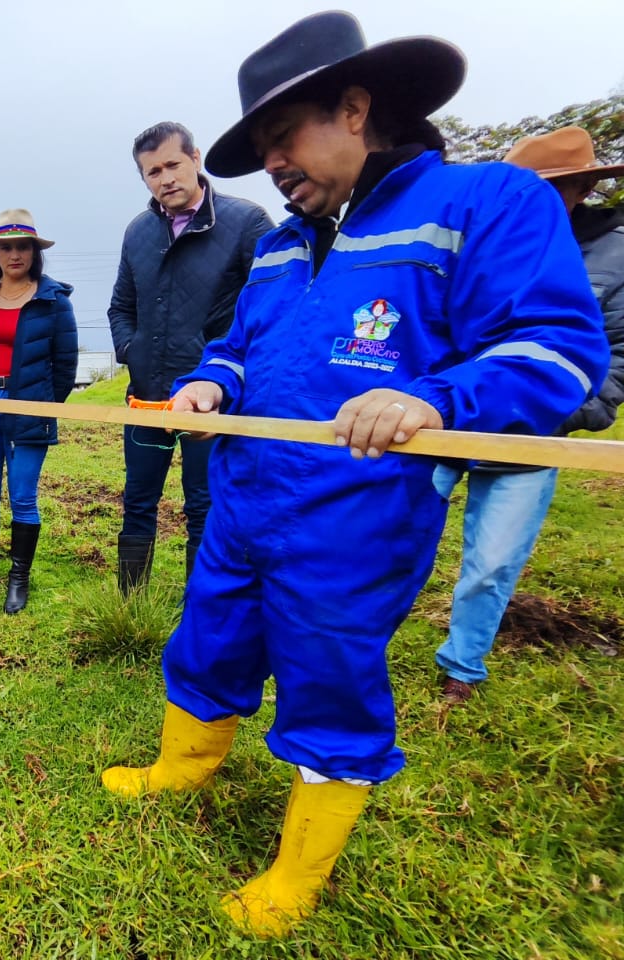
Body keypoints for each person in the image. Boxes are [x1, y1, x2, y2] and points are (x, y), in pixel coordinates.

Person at [98, 12, 608, 937]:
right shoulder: (287, 242)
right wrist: (212, 383)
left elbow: (560, 353)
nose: (273, 166)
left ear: (357, 105)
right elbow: (241, 345)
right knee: (208, 635)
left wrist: (440, 401)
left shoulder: (485, 203)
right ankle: (182, 766)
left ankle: (298, 871)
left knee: (329, 679)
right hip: (247, 499)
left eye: (281, 139)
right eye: (260, 149)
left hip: (357, 517)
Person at [434, 126, 624, 703]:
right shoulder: (483, 239)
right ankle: (356, 632)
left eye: (549, 187)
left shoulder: (613, 256)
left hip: (529, 436)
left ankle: (460, 668)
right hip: (447, 420)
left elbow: (615, 357)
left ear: (583, 187)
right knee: (384, 521)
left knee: (493, 560)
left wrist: (562, 413)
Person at [108, 124, 273, 592]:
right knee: (138, 499)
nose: (165, 178)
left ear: (195, 158)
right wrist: (131, 350)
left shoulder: (246, 223)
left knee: (204, 505)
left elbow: (273, 309)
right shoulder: (138, 231)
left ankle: (200, 607)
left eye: (172, 164)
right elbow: (121, 305)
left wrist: (228, 374)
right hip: (147, 399)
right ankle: (129, 599)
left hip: (211, 403)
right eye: (151, 172)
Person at [0, 209, 78, 614]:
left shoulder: (53, 300)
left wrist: (42, 405)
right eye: (6, 247)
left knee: (23, 496)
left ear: (34, 252)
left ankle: (18, 581)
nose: (14, 254)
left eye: (23, 246)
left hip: (28, 409)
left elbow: (66, 364)